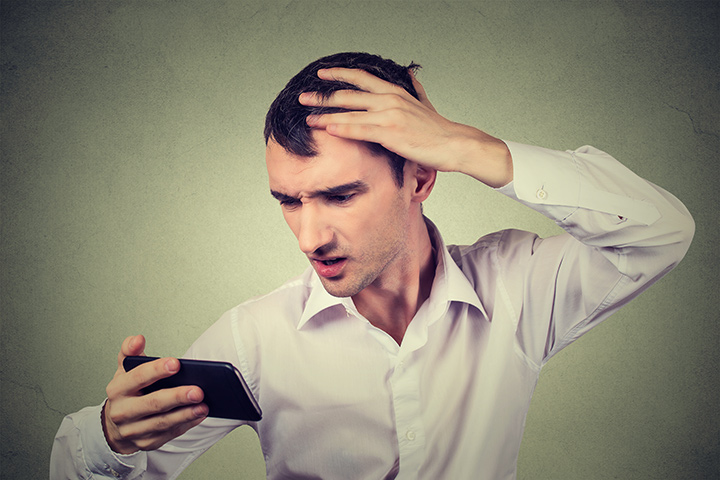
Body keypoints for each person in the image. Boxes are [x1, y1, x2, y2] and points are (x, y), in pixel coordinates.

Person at [50, 52, 694, 479]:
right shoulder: (254, 339)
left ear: (421, 178)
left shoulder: (517, 289)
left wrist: (467, 145)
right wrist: (110, 439)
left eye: (339, 195)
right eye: (289, 201)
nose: (309, 237)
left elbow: (659, 233)